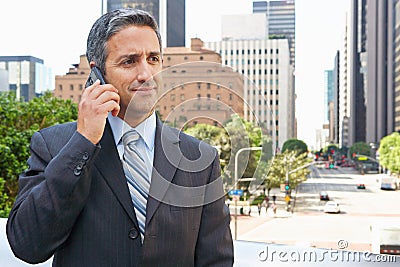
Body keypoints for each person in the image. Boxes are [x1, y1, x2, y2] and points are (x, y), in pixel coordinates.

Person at [6, 8, 233, 267]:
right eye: (129, 61)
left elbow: (217, 261)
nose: (146, 74)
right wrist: (84, 142)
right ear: (97, 73)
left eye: (153, 59)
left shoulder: (200, 158)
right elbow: (27, 245)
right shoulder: (53, 145)